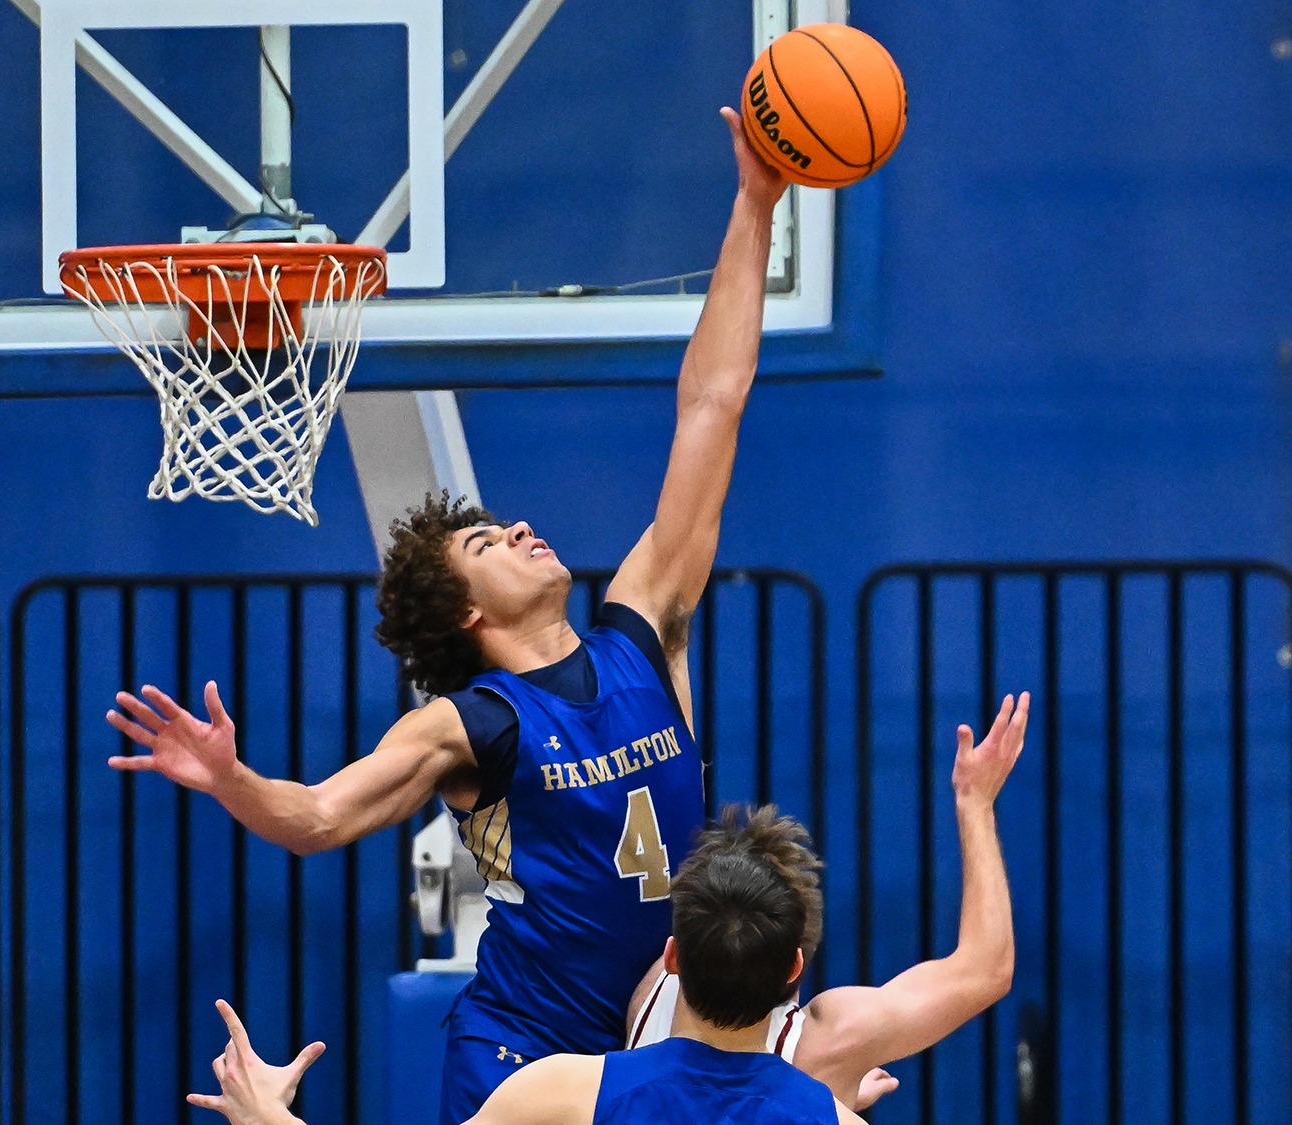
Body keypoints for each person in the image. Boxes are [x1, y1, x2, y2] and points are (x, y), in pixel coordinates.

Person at [106, 105, 790, 1124]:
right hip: (524, 1054)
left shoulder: (641, 625)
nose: (518, 529)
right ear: (467, 613)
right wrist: (229, 778)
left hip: (659, 1042)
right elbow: (324, 816)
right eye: (485, 544)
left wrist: (754, 203)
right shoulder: (470, 725)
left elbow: (712, 403)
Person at [188, 807, 869, 1125]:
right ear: (795, 971)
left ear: (671, 958)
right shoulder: (830, 1118)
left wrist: (265, 1115)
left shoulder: (571, 1090)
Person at [625, 692, 1027, 1110]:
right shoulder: (822, 1049)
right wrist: (974, 802)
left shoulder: (650, 995)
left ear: (674, 954)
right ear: (794, 965)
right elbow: (986, 968)